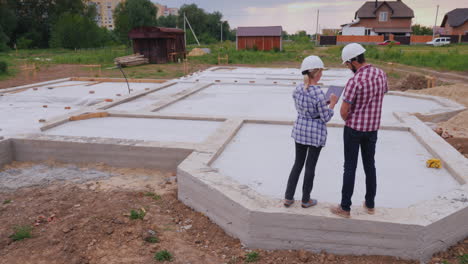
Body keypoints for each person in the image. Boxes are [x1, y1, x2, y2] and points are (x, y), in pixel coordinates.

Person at [330, 43, 388, 218]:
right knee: (370, 166)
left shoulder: (355, 81)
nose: (348, 68)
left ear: (353, 61)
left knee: (350, 167)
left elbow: (343, 111)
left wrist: (351, 119)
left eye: (347, 65)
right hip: (372, 130)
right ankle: (370, 204)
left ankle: (345, 208)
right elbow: (382, 94)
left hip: (354, 129)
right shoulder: (381, 74)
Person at [284, 55, 338, 208]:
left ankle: (288, 197)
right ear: (316, 73)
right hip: (315, 134)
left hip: (300, 130)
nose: (322, 73)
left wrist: (322, 104)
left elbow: (304, 108)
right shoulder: (318, 93)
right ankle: (306, 200)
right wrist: (332, 103)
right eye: (321, 71)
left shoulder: (298, 89)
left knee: (297, 164)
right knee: (310, 167)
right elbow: (326, 117)